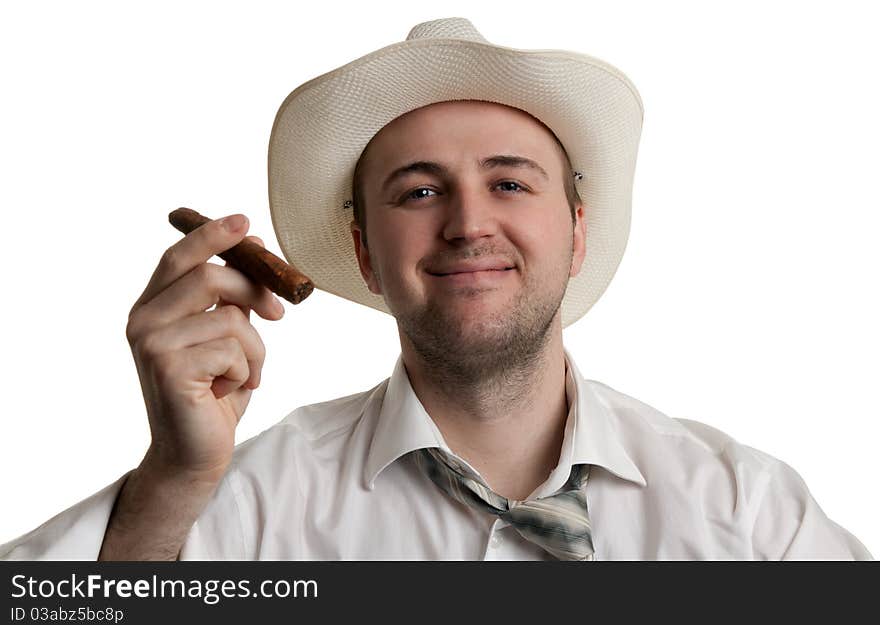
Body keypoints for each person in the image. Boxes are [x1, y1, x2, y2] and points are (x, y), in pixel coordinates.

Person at [0, 17, 871, 561]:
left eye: (510, 182)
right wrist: (173, 481)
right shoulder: (243, 510)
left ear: (576, 231)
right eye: (418, 191)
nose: (466, 223)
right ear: (365, 254)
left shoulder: (749, 514)